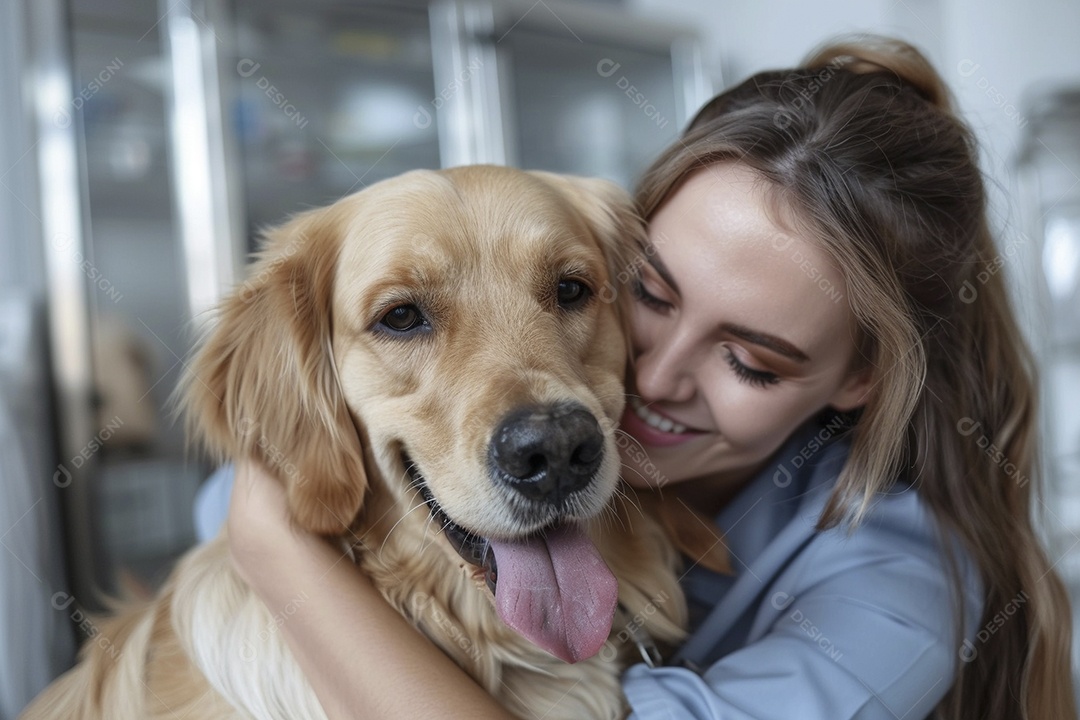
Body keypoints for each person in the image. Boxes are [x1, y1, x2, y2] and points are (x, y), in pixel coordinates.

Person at [199, 35, 1076, 719]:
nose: (649, 378)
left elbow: (258, 523)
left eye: (749, 361)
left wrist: (278, 556)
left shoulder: (898, 594)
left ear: (862, 380)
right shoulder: (563, 401)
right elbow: (249, 488)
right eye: (645, 296)